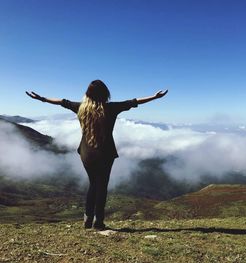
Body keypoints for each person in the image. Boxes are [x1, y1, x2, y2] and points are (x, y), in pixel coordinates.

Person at [26, 80, 168, 230]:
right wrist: (154, 97)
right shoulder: (111, 108)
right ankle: (98, 222)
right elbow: (133, 101)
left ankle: (87, 219)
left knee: (93, 184)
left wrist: (42, 98)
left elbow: (61, 101)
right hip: (105, 153)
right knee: (102, 187)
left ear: (87, 94)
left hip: (86, 153)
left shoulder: (80, 108)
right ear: (105, 94)